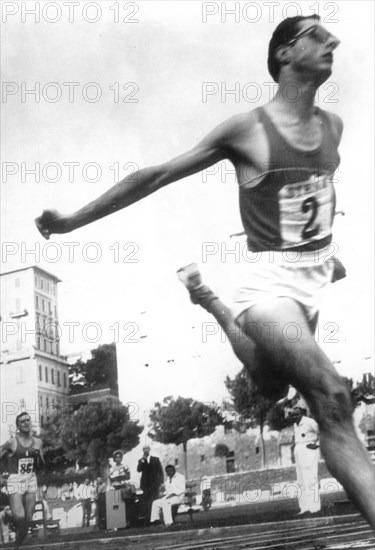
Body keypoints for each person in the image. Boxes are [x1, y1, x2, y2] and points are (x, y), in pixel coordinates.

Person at [34, 14, 375, 529]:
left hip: (311, 283)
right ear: (284, 53)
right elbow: (155, 176)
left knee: (269, 386)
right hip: (266, 287)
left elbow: (310, 202)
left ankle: (209, 301)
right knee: (331, 394)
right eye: (317, 34)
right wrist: (71, 221)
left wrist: (324, 256)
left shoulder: (334, 127)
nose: (334, 40)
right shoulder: (248, 130)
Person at [0, 412, 45, 549]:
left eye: (28, 420)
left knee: (28, 518)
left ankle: (16, 546)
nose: (26, 423)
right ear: (18, 426)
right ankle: (8, 514)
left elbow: (42, 465)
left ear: (31, 423)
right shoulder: (12, 442)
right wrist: (1, 476)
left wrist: (37, 456)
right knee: (19, 516)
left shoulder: (38, 442)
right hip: (15, 480)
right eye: (22, 421)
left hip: (31, 478)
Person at [291, 403, 321, 515]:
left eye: (297, 414)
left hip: (308, 448)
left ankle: (314, 507)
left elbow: (322, 431)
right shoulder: (295, 425)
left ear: (303, 413)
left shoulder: (310, 422)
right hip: (298, 449)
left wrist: (317, 444)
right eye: (293, 414)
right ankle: (304, 508)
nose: (295, 416)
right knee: (301, 480)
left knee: (310, 478)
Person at [137, 445, 164, 524]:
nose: (145, 450)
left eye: (147, 449)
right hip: (145, 485)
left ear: (149, 449)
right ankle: (148, 520)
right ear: (143, 450)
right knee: (146, 502)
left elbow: (160, 472)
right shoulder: (141, 460)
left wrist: (161, 482)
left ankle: (156, 520)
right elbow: (139, 469)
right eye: (144, 449)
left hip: (154, 484)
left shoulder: (155, 459)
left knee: (154, 501)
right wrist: (143, 460)